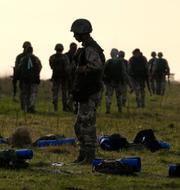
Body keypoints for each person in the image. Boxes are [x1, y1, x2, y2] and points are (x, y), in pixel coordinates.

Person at [70, 18, 105, 164]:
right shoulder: (87, 47)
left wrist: (81, 69)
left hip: (90, 91)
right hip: (85, 91)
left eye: (76, 33)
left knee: (87, 124)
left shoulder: (91, 48)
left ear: (82, 33)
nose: (74, 36)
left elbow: (96, 66)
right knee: (79, 125)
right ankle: (83, 154)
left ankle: (89, 156)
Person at [17, 46, 42, 113]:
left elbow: (19, 68)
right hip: (34, 79)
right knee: (33, 93)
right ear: (32, 51)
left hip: (25, 79)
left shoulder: (23, 59)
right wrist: (36, 75)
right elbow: (39, 67)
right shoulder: (36, 58)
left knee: (26, 94)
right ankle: (31, 106)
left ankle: (26, 108)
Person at [103, 48, 126, 113]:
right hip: (118, 82)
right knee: (119, 96)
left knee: (108, 96)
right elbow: (124, 72)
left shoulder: (108, 62)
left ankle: (108, 110)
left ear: (111, 54)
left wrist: (104, 79)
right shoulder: (121, 62)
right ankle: (120, 109)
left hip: (109, 82)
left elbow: (103, 72)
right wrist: (124, 81)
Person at [49, 43, 69, 112]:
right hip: (64, 77)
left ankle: (55, 108)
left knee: (55, 93)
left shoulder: (52, 57)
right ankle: (65, 108)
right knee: (64, 93)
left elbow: (51, 66)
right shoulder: (65, 57)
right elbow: (67, 67)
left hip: (55, 76)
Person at [65, 42, 78, 112]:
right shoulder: (67, 56)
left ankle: (70, 106)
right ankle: (69, 106)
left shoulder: (66, 55)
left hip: (73, 77)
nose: (75, 49)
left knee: (72, 92)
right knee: (71, 92)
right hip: (70, 77)